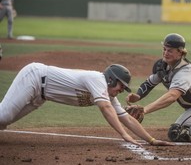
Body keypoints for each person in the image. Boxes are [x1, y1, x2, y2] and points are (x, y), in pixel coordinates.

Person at [0, 62, 174, 147]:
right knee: (4, 116)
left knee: (3, 123)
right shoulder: (97, 80)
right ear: (111, 79)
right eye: (121, 86)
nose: (122, 90)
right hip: (34, 77)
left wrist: (151, 140)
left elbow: (126, 119)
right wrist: (124, 135)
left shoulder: (107, 94)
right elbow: (105, 109)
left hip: (41, 95)